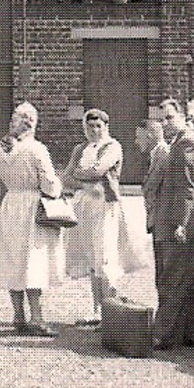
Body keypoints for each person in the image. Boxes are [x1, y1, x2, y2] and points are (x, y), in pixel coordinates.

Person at [61, 108, 144, 325]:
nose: (94, 131)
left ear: (106, 127)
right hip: (83, 206)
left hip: (105, 206)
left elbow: (99, 171)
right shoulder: (80, 149)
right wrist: (84, 181)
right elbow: (66, 177)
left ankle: (111, 312)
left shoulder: (113, 146)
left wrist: (83, 177)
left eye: (98, 126)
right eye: (90, 127)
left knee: (105, 256)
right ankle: (97, 310)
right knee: (91, 257)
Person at [0, 102, 65, 337]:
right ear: (31, 123)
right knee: (34, 259)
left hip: (11, 202)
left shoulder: (1, 149)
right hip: (32, 205)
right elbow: (49, 184)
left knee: (13, 257)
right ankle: (37, 317)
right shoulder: (37, 150)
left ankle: (18, 315)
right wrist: (58, 188)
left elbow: (2, 180)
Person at [151, 97, 194, 350]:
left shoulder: (186, 144)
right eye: (162, 119)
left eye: (169, 118)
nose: (165, 123)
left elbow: (189, 189)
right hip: (186, 223)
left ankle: (162, 334)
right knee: (191, 280)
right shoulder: (181, 142)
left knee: (173, 279)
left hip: (183, 225)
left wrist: (181, 223)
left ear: (182, 116)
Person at [139, 117, 171, 301]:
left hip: (162, 220)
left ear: (149, 135)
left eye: (139, 137)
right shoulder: (156, 154)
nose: (137, 142)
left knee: (164, 271)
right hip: (157, 219)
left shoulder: (163, 154)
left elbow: (151, 185)